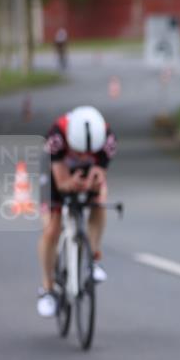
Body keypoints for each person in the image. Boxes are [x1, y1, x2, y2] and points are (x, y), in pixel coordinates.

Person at [36, 106, 117, 317]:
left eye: (87, 153)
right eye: (79, 152)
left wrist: (94, 184)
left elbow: (100, 174)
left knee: (99, 201)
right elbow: (61, 183)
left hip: (86, 170)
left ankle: (93, 259)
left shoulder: (108, 140)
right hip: (55, 171)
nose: (82, 155)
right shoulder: (56, 136)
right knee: (52, 229)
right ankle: (47, 288)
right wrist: (69, 184)